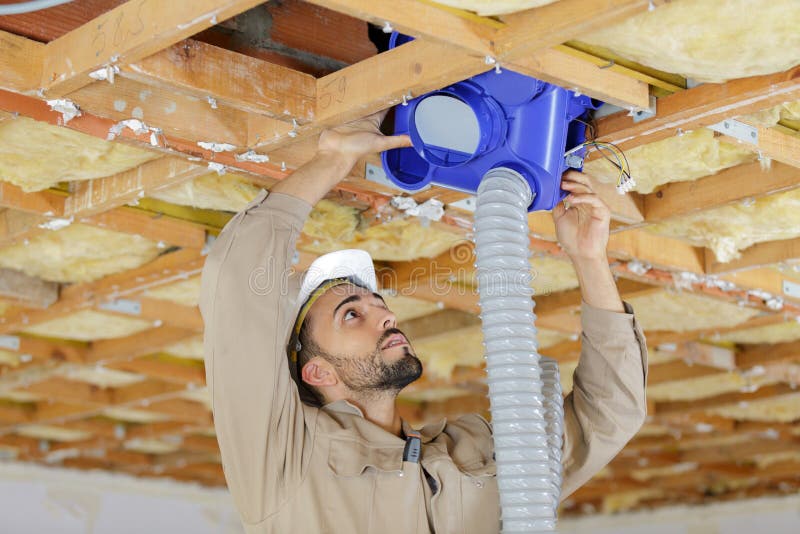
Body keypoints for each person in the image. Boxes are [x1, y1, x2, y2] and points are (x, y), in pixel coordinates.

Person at [200, 111, 648, 534]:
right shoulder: (285, 455)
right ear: (317, 370)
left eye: (375, 305)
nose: (387, 314)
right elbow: (613, 412)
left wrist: (335, 157)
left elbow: (600, 419)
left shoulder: (477, 449)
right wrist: (591, 259)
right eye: (352, 313)